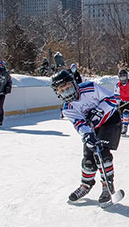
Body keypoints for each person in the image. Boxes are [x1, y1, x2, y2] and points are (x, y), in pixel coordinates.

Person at [51, 69, 121, 206]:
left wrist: (100, 111)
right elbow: (80, 124)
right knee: (88, 160)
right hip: (92, 128)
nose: (67, 91)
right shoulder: (67, 109)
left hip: (110, 121)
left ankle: (108, 185)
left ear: (74, 83)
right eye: (62, 89)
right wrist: (87, 135)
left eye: (69, 87)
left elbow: (112, 99)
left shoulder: (91, 87)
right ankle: (86, 185)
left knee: (103, 154)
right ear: (58, 93)